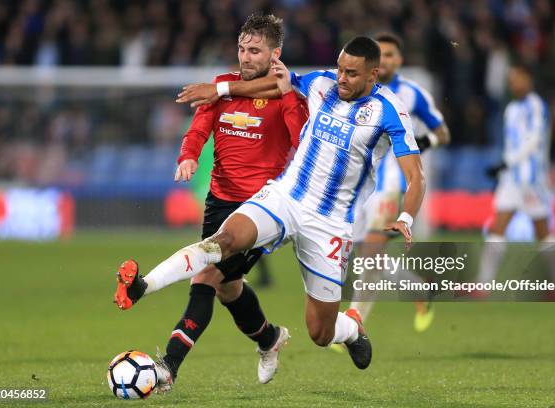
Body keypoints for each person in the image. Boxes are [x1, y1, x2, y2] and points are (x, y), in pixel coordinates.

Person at [115, 36, 425, 379]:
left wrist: (406, 216)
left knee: (320, 333)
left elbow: (416, 177)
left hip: (329, 223)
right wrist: (220, 91)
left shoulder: (390, 111)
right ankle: (143, 286)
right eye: (339, 69)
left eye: (351, 73)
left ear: (373, 75)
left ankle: (350, 329)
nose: (341, 79)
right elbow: (277, 83)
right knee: (223, 242)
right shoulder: (323, 81)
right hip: (285, 197)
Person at [113, 14, 308, 391]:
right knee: (228, 289)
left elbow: (303, 139)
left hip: (261, 209)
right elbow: (199, 128)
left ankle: (168, 364)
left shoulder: (287, 96)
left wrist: (286, 97)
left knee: (204, 278)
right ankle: (269, 339)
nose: (246, 57)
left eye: (255, 50)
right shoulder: (222, 87)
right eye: (241, 48)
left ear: (275, 54)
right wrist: (187, 155)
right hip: (220, 201)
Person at [347, 33, 450, 333]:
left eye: (391, 54)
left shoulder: (413, 93)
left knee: (371, 253)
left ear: (400, 59)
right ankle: (420, 289)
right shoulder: (357, 90)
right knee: (359, 253)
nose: (387, 60)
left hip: (393, 186)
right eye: (382, 55)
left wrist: (425, 140)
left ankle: (354, 323)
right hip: (359, 187)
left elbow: (442, 132)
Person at [479, 62, 555, 299]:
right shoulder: (511, 109)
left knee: (543, 232)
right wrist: (505, 171)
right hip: (511, 181)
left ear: (528, 79)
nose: (512, 84)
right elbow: (512, 144)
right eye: (511, 80)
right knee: (497, 227)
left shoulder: (536, 106)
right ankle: (483, 285)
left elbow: (534, 140)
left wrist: (507, 163)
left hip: (531, 180)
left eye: (516, 79)